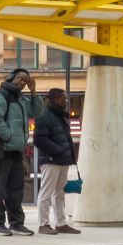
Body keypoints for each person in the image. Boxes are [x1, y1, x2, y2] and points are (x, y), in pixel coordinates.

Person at [0, 67, 34, 236]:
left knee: (15, 189)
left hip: (15, 151)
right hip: (1, 150)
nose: (23, 82)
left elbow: (37, 113)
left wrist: (34, 93)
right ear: (11, 78)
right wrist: (9, 137)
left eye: (26, 81)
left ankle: (16, 223)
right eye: (20, 78)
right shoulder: (0, 95)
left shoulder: (21, 99)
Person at [34, 87, 79, 235]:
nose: (66, 100)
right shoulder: (44, 115)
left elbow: (66, 138)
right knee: (46, 193)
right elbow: (39, 139)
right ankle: (43, 224)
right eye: (63, 98)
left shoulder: (61, 116)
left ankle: (61, 223)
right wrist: (58, 150)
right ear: (54, 99)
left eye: (66, 98)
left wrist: (70, 155)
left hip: (63, 160)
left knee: (59, 193)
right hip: (51, 160)